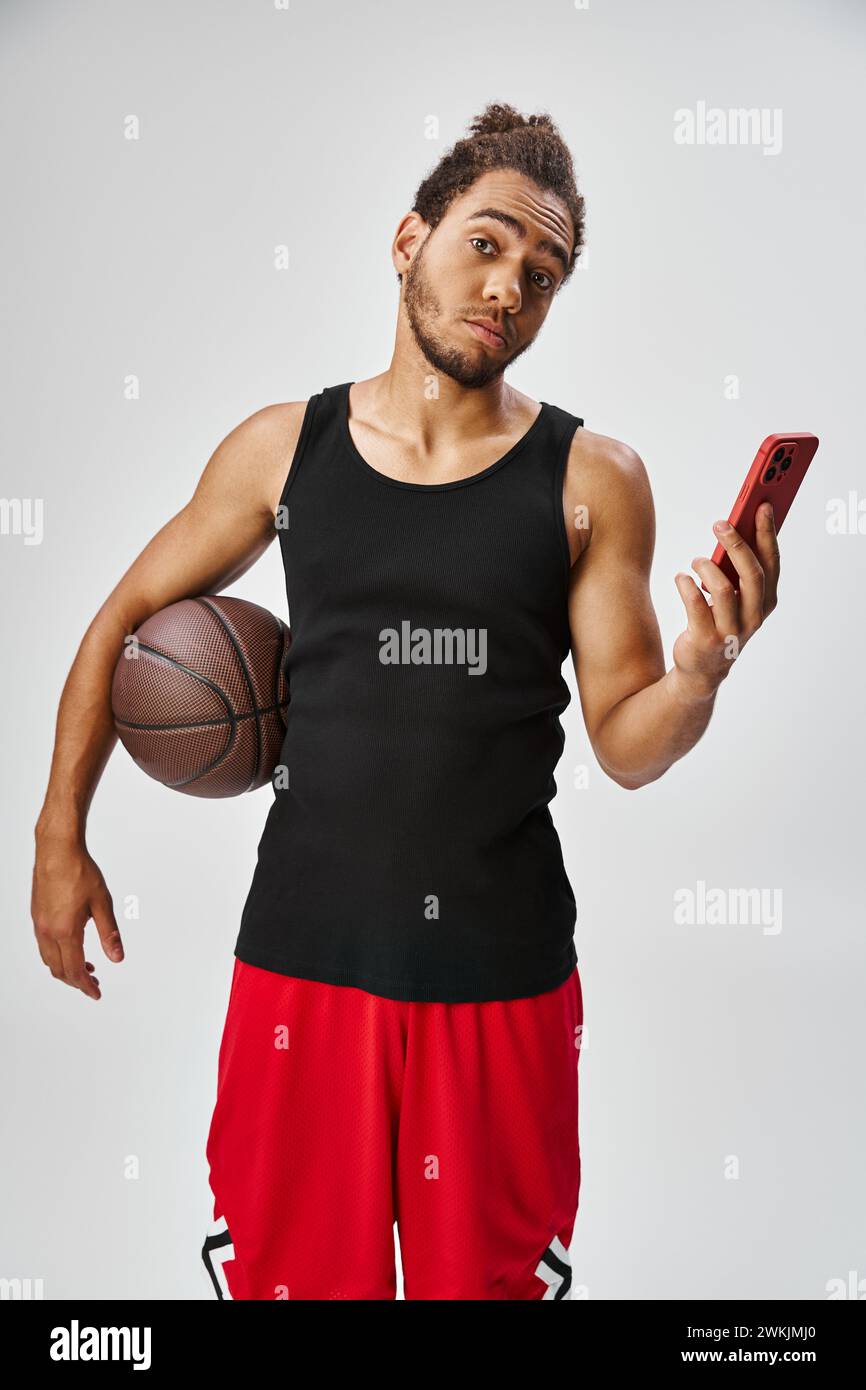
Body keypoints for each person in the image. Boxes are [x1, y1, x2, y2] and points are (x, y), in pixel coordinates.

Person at [31, 102, 780, 1300]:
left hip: (501, 974)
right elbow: (118, 619)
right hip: (302, 964)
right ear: (406, 241)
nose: (507, 289)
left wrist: (699, 672)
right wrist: (59, 834)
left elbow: (628, 741)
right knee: (288, 1284)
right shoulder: (284, 450)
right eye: (484, 244)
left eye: (541, 274)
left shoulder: (593, 479)